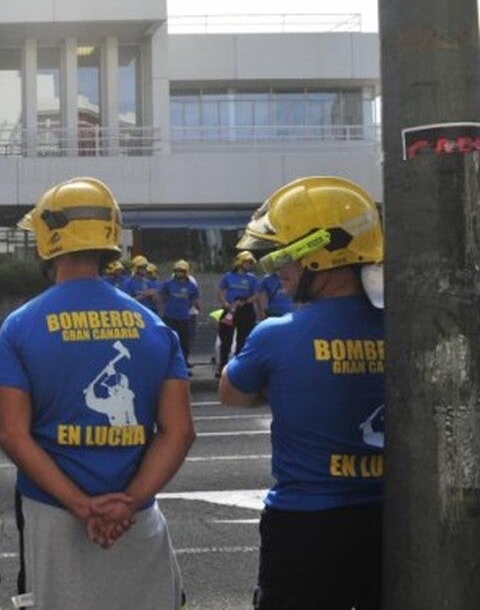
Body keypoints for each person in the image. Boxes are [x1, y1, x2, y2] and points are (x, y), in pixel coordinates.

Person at [0, 177, 195, 610]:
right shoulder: (154, 326)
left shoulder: (20, 325)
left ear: (48, 241)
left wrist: (81, 505)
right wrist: (129, 502)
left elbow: (13, 435)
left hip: (53, 513)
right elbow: (178, 433)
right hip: (134, 515)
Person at [219, 176, 385, 609]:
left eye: (286, 255)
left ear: (321, 256)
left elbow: (231, 394)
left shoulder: (275, 335)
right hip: (391, 517)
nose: (279, 270)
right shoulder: (405, 325)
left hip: (305, 526)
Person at [216, 250, 261, 377]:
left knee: (243, 340)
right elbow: (220, 290)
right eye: (248, 262)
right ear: (240, 263)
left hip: (245, 310)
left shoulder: (252, 278)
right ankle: (222, 367)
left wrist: (247, 301)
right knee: (225, 340)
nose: (250, 264)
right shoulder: (228, 276)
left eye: (251, 262)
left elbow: (256, 294)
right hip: (230, 309)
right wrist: (224, 303)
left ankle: (239, 368)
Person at [159, 260, 202, 371]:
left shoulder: (191, 285)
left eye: (182, 271)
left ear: (186, 272)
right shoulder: (168, 284)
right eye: (177, 271)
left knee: (185, 341)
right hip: (169, 316)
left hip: (184, 317)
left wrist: (190, 307)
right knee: (168, 340)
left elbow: (194, 299)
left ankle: (184, 362)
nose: (179, 273)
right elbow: (163, 297)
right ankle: (168, 362)